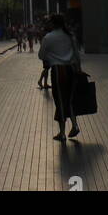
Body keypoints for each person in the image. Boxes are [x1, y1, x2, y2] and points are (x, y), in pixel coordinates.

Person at [39, 13, 81, 143]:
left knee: (60, 100)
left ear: (53, 23)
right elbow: (76, 54)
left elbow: (41, 55)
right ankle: (74, 125)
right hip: (71, 70)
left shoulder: (48, 37)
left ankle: (62, 132)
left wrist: (51, 56)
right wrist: (79, 68)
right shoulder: (70, 36)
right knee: (70, 98)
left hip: (57, 71)